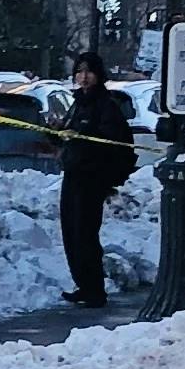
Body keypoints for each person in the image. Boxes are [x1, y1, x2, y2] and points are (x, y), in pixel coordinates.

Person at [58, 51, 139, 311]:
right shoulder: (78, 103)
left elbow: (111, 141)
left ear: (98, 74)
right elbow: (69, 135)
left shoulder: (106, 105)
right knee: (70, 232)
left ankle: (95, 290)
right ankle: (83, 284)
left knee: (85, 233)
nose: (83, 77)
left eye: (88, 71)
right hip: (73, 174)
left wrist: (81, 136)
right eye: (79, 71)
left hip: (91, 177)